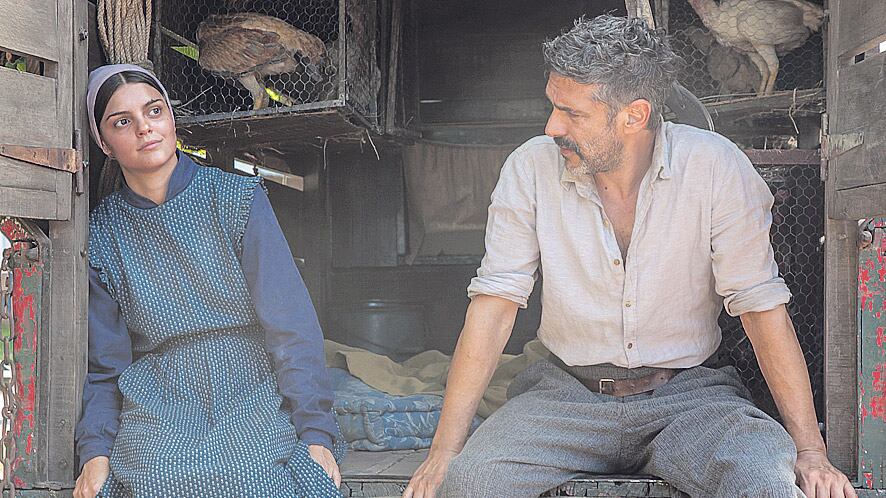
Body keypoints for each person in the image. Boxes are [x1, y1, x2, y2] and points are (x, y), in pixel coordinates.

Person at [403, 15, 854, 498]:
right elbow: (494, 307)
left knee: (762, 481)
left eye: (572, 113)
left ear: (634, 115)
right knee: (471, 482)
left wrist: (810, 451)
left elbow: (761, 308)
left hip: (691, 399)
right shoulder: (529, 167)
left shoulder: (715, 166)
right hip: (563, 397)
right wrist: (445, 452)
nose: (551, 125)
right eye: (553, 105)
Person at [74, 64, 345, 498]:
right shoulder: (103, 233)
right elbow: (107, 365)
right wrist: (95, 454)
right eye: (122, 122)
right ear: (104, 143)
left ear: (171, 118)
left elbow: (291, 324)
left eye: (155, 111)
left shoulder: (236, 198)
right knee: (157, 481)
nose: (145, 128)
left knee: (249, 479)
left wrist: (316, 432)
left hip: (249, 384)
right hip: (159, 398)